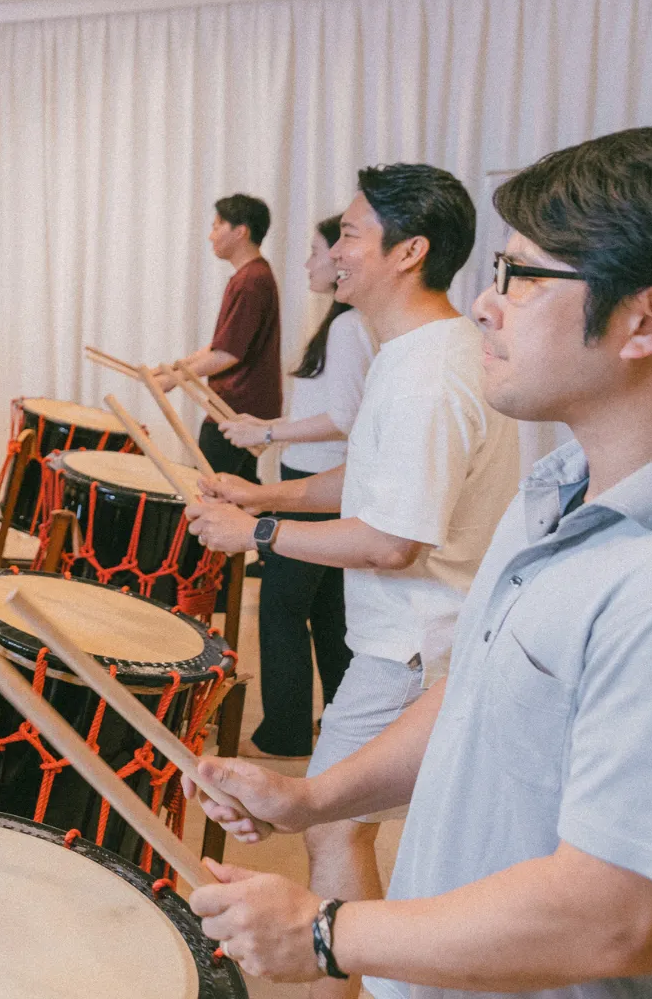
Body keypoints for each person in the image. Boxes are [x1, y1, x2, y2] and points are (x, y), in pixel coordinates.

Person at [184, 125, 652, 999]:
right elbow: (472, 697)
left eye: (524, 278)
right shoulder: (555, 490)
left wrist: (323, 933)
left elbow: (613, 917)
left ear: (645, 320)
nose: (488, 305)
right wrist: (312, 800)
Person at [185, 164, 521, 999]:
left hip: (415, 644)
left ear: (410, 251)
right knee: (340, 830)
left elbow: (392, 541)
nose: (335, 248)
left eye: (351, 234)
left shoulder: (432, 373)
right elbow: (366, 483)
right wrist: (258, 491)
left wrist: (257, 532)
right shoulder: (408, 354)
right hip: (405, 637)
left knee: (332, 833)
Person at [218, 214, 375, 757]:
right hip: (314, 474)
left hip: (319, 481)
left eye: (315, 251)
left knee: (282, 608)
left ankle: (284, 730)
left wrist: (266, 430)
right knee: (327, 609)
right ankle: (338, 721)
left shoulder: (348, 327)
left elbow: (346, 415)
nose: (308, 262)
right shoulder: (346, 324)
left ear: (340, 260)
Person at [163, 194, 283, 482]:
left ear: (240, 232)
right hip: (239, 404)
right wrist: (175, 368)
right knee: (238, 489)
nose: (210, 235)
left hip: (238, 409)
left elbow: (229, 355)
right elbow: (222, 344)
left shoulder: (252, 280)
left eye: (217, 226)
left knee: (213, 489)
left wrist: (173, 379)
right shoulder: (252, 275)